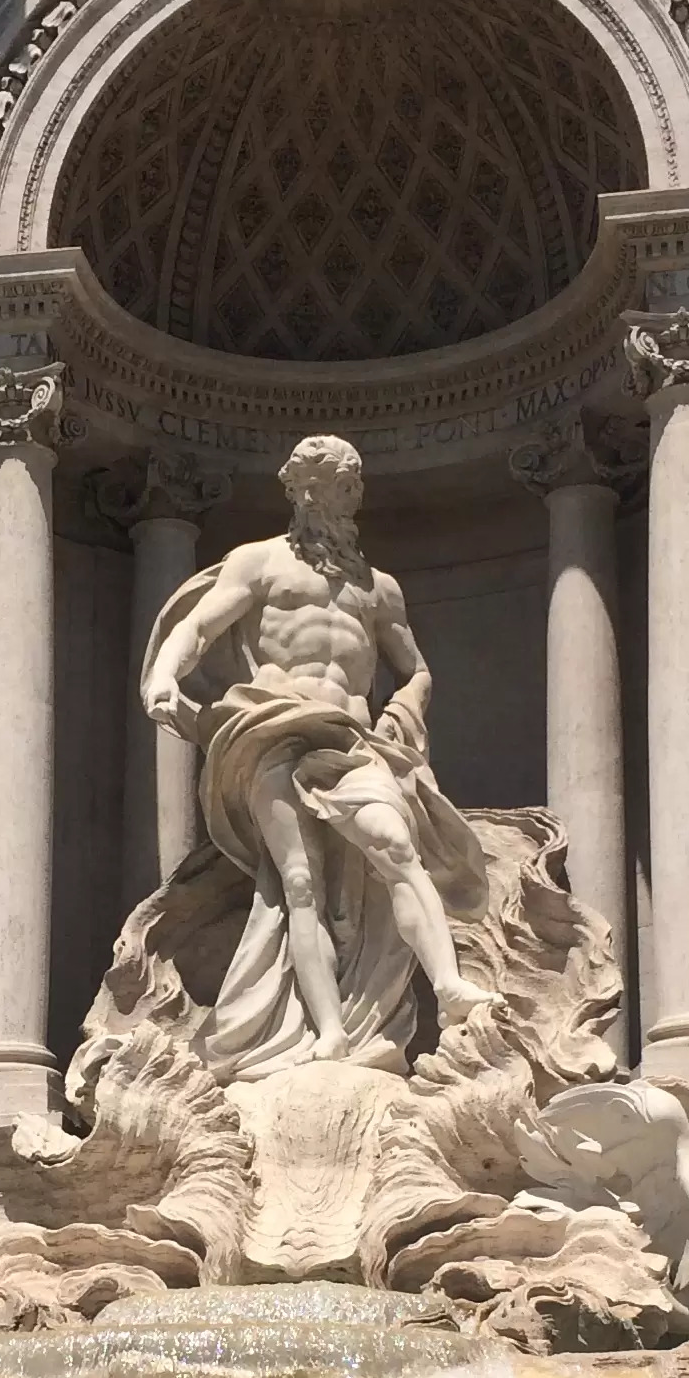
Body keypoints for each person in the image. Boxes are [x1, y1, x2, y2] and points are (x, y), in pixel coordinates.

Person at [138, 433, 496, 1075]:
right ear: (293, 493)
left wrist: (401, 715)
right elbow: (198, 627)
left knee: (395, 846)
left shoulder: (378, 589)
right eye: (307, 487)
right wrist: (165, 674)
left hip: (353, 738)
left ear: (351, 497)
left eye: (333, 489)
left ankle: (448, 987)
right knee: (298, 883)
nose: (318, 500)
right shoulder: (260, 563)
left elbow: (415, 669)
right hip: (271, 727)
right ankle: (328, 1033)